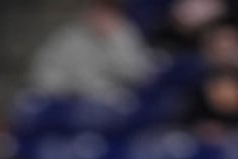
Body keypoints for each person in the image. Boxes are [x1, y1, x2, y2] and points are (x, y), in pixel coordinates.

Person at [27, 0, 155, 103]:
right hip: (70, 101)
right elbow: (43, 72)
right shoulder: (68, 36)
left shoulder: (125, 35)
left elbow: (136, 74)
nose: (100, 17)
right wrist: (68, 89)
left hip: (111, 103)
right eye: (97, 11)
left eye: (106, 12)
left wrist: (111, 41)